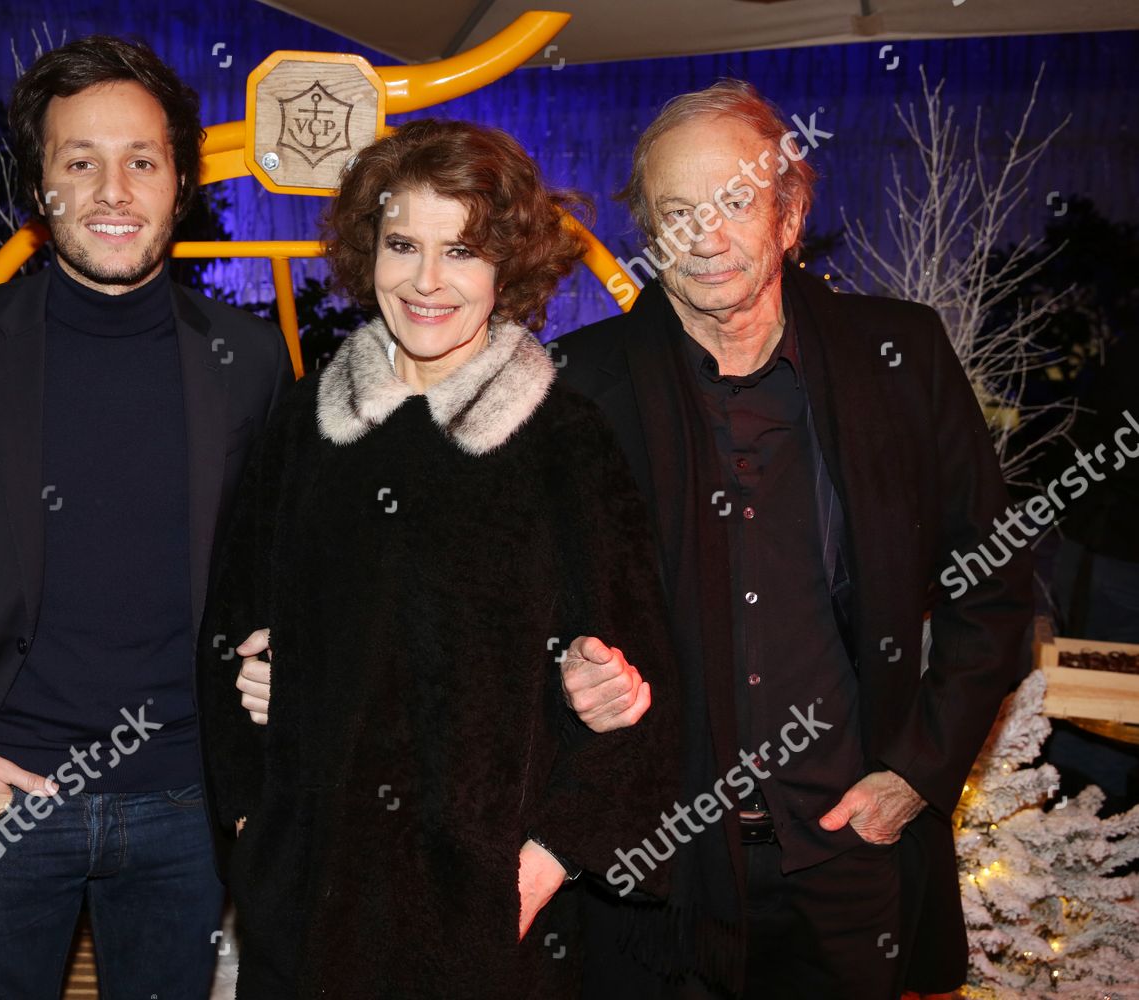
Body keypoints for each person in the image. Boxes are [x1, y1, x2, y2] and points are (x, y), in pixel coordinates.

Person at [550, 80, 1034, 998]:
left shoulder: (901, 356)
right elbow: (527, 602)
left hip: (849, 856)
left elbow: (996, 583)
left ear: (790, 211)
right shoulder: (580, 383)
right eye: (677, 211)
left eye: (735, 200)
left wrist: (915, 777)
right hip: (658, 874)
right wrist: (564, 658)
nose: (706, 234)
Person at [0, 35, 292, 999]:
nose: (113, 190)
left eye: (141, 160)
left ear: (181, 181)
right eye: (78, 162)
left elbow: (277, 566)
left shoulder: (248, 362)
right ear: (39, 189)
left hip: (187, 804)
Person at [197, 118, 681, 999]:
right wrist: (252, 823)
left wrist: (546, 860)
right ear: (365, 253)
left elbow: (640, 690)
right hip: (307, 916)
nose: (426, 282)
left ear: (507, 265)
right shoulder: (306, 423)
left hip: (483, 933)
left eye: (460, 250)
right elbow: (227, 631)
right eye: (401, 244)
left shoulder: (565, 438)